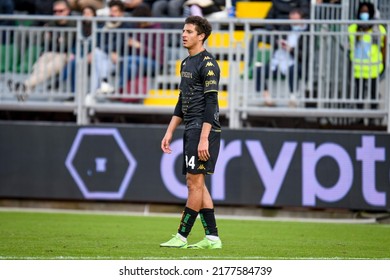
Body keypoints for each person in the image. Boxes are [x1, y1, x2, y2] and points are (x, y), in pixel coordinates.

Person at [160, 16, 222, 249]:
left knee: (194, 184)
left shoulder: (208, 64)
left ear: (201, 35)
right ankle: (213, 238)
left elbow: (211, 102)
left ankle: (182, 236)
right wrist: (169, 132)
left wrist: (205, 137)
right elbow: (181, 101)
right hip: (191, 127)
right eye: (183, 31)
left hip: (203, 128)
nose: (183, 34)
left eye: (189, 31)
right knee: (197, 182)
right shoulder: (186, 63)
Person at [8, 0, 76, 101]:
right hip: (49, 52)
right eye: (55, 11)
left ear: (68, 11)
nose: (58, 13)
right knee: (38, 67)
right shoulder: (52, 22)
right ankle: (25, 92)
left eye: (61, 11)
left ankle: (24, 85)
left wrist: (54, 39)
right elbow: (46, 41)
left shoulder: (74, 23)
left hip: (65, 55)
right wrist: (54, 39)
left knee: (50, 67)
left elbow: (65, 43)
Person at [255, 8, 309, 107]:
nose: (293, 23)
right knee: (259, 69)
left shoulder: (308, 33)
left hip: (294, 61)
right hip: (278, 60)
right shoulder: (285, 28)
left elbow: (305, 54)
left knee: (293, 69)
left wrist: (291, 50)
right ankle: (267, 98)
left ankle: (293, 98)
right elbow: (270, 28)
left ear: (302, 19)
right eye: (291, 20)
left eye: (295, 21)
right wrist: (278, 41)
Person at [248, 0, 310, 71]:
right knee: (257, 34)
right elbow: (267, 20)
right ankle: (248, 65)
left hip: (294, 35)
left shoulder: (302, 3)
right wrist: (273, 30)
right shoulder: (276, 2)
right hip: (276, 34)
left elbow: (305, 17)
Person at [348, 1, 386, 111]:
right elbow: (350, 45)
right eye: (362, 11)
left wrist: (383, 61)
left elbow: (383, 47)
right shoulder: (352, 28)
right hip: (358, 67)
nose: (364, 13)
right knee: (358, 93)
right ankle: (359, 116)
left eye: (366, 11)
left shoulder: (378, 29)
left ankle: (373, 117)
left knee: (373, 93)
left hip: (373, 67)